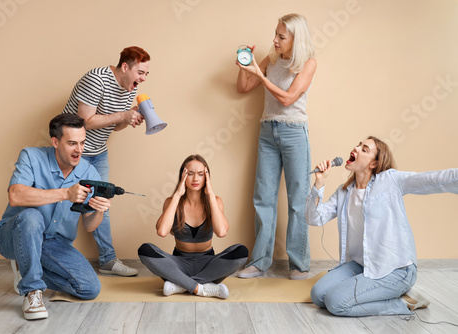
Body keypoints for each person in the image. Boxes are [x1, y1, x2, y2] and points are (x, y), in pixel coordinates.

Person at [305, 136, 458, 316]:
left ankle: (401, 303)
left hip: (395, 269)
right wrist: (319, 183)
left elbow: (433, 179)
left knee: (335, 302)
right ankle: (379, 293)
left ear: (373, 163)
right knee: (318, 295)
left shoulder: (390, 181)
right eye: (358, 145)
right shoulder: (344, 192)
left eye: (364, 149)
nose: (356, 148)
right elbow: (314, 218)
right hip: (360, 265)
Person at [0, 114, 112, 320]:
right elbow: (15, 196)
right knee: (31, 216)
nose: (79, 150)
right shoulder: (31, 156)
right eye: (72, 143)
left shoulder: (89, 172)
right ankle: (32, 291)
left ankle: (27, 265)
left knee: (89, 288)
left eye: (82, 143)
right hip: (14, 235)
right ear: (55, 142)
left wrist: (100, 210)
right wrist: (66, 193)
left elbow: (90, 226)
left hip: (55, 244)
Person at [235, 13, 317, 280]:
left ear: (296, 38)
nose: (275, 39)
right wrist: (244, 67)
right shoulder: (271, 59)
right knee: (263, 199)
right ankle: (259, 262)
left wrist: (260, 73)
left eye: (281, 36)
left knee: (297, 201)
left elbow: (287, 98)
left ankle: (299, 265)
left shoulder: (308, 63)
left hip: (294, 133)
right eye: (276, 34)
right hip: (267, 131)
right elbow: (244, 87)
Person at [62, 46, 151, 276]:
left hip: (99, 151)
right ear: (125, 66)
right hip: (74, 151)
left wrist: (130, 117)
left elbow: (115, 126)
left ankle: (107, 261)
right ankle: (57, 258)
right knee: (66, 202)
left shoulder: (130, 89)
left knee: (102, 201)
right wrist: (122, 115)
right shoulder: (96, 79)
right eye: (140, 72)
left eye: (146, 74)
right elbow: (84, 121)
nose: (142, 78)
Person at [138, 155, 248, 299]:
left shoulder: (216, 201)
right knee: (145, 250)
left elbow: (221, 232)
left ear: (207, 177)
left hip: (208, 264)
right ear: (182, 176)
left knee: (241, 251)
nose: (195, 179)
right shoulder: (171, 202)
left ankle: (180, 285)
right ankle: (201, 288)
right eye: (190, 174)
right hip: (178, 264)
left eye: (201, 174)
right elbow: (162, 231)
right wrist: (177, 195)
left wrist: (210, 194)